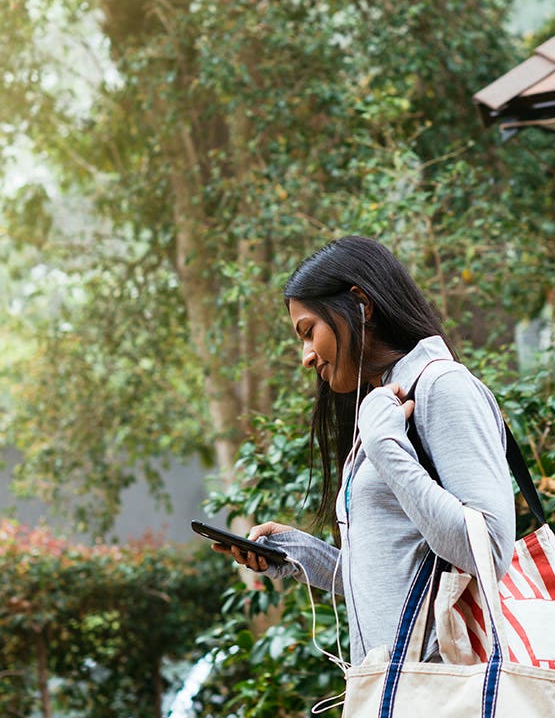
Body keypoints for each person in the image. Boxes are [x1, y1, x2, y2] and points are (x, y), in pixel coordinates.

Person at [214, 236, 515, 666]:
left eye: (309, 332)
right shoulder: (387, 405)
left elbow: (489, 550)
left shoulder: (441, 388)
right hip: (393, 689)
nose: (306, 356)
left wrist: (384, 446)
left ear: (362, 304)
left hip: (442, 694)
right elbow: (396, 578)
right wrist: (302, 556)